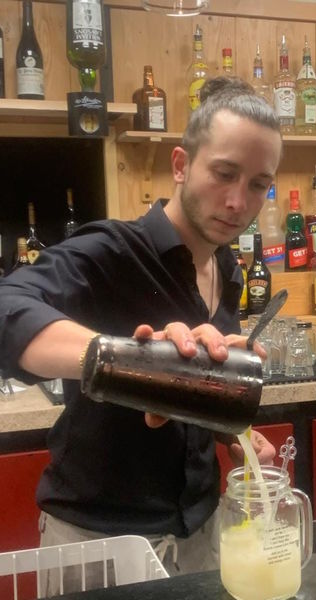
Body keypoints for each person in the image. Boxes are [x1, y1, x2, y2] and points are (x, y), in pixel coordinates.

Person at [0, 77, 283, 589]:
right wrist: (134, 362)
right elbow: (7, 306)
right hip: (97, 544)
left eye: (258, 185)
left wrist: (233, 434)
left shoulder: (228, 271)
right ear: (181, 165)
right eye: (224, 174)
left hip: (196, 534)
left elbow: (194, 395)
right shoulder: (112, 251)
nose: (237, 201)